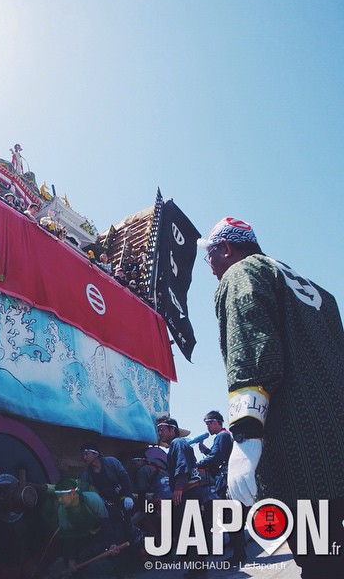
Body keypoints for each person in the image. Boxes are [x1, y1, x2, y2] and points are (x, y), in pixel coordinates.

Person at [199, 216, 344, 578]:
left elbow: (253, 351)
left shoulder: (241, 273)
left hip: (303, 461)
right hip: (337, 450)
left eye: (211, 257)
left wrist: (246, 435)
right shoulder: (319, 293)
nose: (211, 267)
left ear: (227, 249)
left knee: (321, 561)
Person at [156, 416, 208, 579]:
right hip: (189, 492)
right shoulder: (177, 445)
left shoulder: (178, 443)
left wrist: (178, 488)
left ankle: (195, 570)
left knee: (189, 531)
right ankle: (199, 568)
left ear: (173, 429)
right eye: (158, 430)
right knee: (193, 530)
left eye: (162, 429)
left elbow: (182, 466)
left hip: (187, 492)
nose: (160, 433)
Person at [196, 410, 246, 566]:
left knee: (230, 517)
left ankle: (239, 555)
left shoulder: (222, 436)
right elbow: (219, 455)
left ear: (214, 422)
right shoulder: (225, 436)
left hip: (225, 480)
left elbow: (216, 459)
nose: (207, 429)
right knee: (231, 516)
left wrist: (196, 464)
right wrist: (206, 451)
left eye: (207, 424)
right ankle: (239, 551)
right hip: (228, 478)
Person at [54, 477, 123, 578]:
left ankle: (121, 571)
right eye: (57, 497)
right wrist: (71, 560)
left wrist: (112, 544)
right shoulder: (62, 511)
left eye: (62, 496)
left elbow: (106, 524)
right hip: (85, 532)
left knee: (118, 544)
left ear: (73, 494)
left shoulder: (93, 499)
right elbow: (68, 538)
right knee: (74, 560)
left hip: (105, 526)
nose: (59, 500)